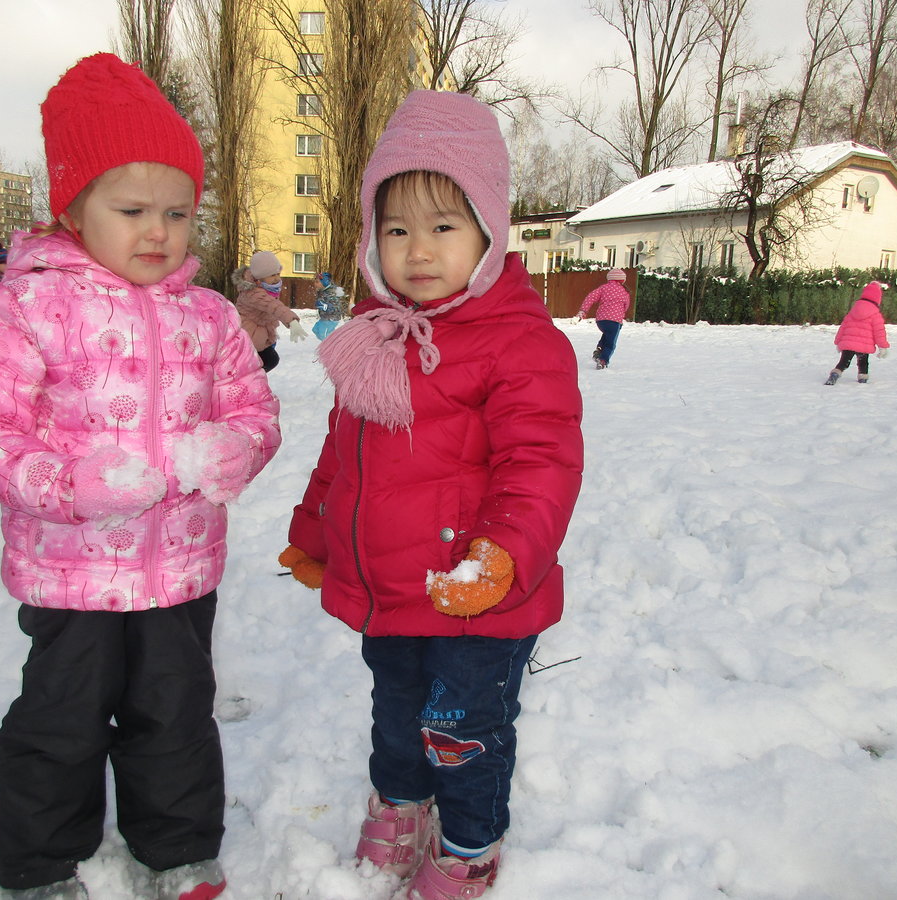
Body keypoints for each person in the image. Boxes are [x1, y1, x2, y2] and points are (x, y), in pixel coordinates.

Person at [0, 53, 282, 900]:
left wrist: (234, 450)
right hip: (71, 574)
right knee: (62, 719)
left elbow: (253, 411)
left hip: (179, 568)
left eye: (177, 212)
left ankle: (178, 850)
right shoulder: (23, 308)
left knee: (176, 714)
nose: (158, 231)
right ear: (73, 209)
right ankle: (39, 861)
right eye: (131, 210)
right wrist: (68, 485)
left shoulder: (210, 316)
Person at [278, 90, 583, 898]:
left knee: (463, 731)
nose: (417, 250)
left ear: (488, 231)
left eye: (444, 226)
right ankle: (402, 806)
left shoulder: (521, 343)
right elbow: (344, 455)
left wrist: (500, 556)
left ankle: (471, 844)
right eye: (396, 229)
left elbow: (541, 462)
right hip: (390, 591)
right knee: (397, 715)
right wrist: (315, 535)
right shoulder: (375, 337)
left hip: (477, 597)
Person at [230, 250, 308, 371]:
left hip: (262, 331)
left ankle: (252, 377)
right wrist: (291, 320)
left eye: (278, 273)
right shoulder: (253, 293)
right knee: (270, 360)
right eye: (272, 275)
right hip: (250, 334)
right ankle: (248, 377)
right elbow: (273, 306)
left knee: (268, 359)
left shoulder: (268, 287)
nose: (277, 278)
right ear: (259, 277)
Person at [825, 280, 889, 384]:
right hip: (864, 346)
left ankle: (835, 374)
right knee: (863, 363)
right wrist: (882, 347)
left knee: (843, 362)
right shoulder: (875, 315)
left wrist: (838, 341)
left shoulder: (853, 311)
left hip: (848, 343)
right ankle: (862, 378)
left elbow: (843, 327)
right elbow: (879, 332)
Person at [575, 268, 631, 369]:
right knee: (610, 343)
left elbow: (590, 297)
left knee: (607, 334)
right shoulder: (624, 291)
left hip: (601, 320)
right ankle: (603, 360)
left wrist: (583, 310)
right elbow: (626, 306)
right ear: (623, 280)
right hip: (615, 321)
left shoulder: (603, 288)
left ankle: (599, 349)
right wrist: (621, 314)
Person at [311, 271, 348, 340]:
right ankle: (333, 341)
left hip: (331, 318)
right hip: (324, 317)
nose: (315, 284)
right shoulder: (323, 291)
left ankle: (332, 344)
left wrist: (324, 306)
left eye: (317, 282)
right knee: (316, 330)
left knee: (324, 335)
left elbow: (336, 306)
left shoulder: (331, 292)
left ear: (325, 282)